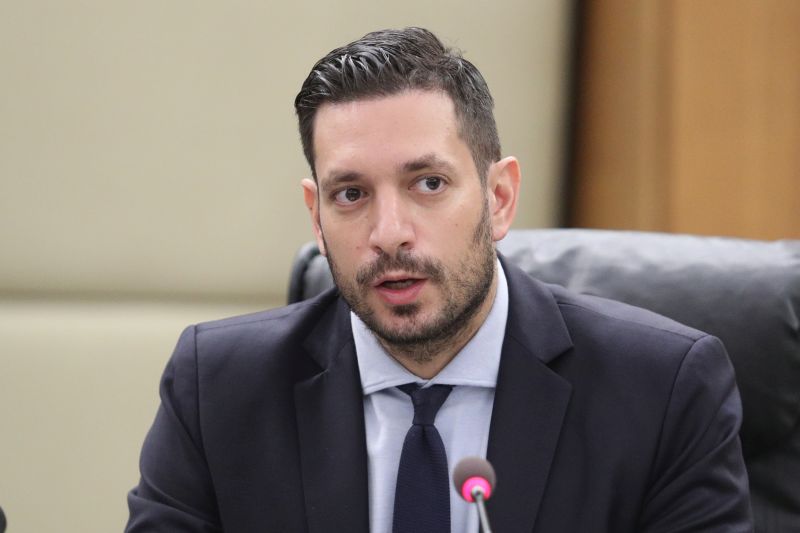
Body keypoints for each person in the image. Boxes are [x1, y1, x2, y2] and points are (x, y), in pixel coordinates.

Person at [126, 27, 752, 532]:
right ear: (317, 217)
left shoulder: (662, 390)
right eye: (351, 194)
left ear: (499, 197)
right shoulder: (219, 388)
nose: (389, 233)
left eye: (428, 183)